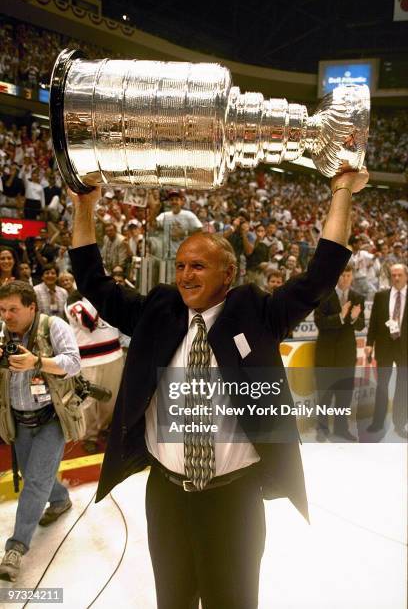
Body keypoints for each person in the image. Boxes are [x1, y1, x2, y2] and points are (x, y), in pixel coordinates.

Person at [68, 167, 368, 609]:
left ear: (227, 274)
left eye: (199, 266)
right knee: (172, 601)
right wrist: (84, 205)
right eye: (181, 266)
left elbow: (320, 276)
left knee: (233, 601)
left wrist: (341, 191)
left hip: (234, 499)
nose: (186, 275)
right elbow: (94, 282)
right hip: (167, 495)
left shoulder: (257, 314)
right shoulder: (160, 310)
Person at [0, 280, 81, 582]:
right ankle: (60, 499)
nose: (7, 316)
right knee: (39, 476)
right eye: (3, 310)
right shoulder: (2, 332)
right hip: (19, 421)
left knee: (34, 480)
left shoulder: (53, 326)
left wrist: (37, 361)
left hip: (51, 418)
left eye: (13, 310)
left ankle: (15, 548)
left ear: (31, 307)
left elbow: (74, 363)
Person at [65, 291, 124, 453]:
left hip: (114, 355)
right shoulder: (73, 301)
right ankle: (88, 436)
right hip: (88, 361)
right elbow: (87, 321)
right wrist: (100, 297)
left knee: (111, 399)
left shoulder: (110, 297)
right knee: (87, 402)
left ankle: (104, 428)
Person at [314, 265, 365, 442]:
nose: (344, 278)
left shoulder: (358, 297)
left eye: (348, 275)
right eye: (342, 274)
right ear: (337, 276)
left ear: (352, 277)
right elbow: (319, 322)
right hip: (326, 354)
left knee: (344, 395)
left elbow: (360, 326)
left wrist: (355, 318)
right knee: (324, 395)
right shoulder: (324, 294)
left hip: (346, 354)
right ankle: (321, 429)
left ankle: (341, 429)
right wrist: (341, 317)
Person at [365, 263, 407, 438]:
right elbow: (374, 322)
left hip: (405, 349)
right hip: (384, 347)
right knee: (382, 385)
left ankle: (400, 424)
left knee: (403, 387)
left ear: (406, 276)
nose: (396, 278)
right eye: (393, 275)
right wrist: (369, 343)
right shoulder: (381, 296)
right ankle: (378, 422)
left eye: (399, 275)